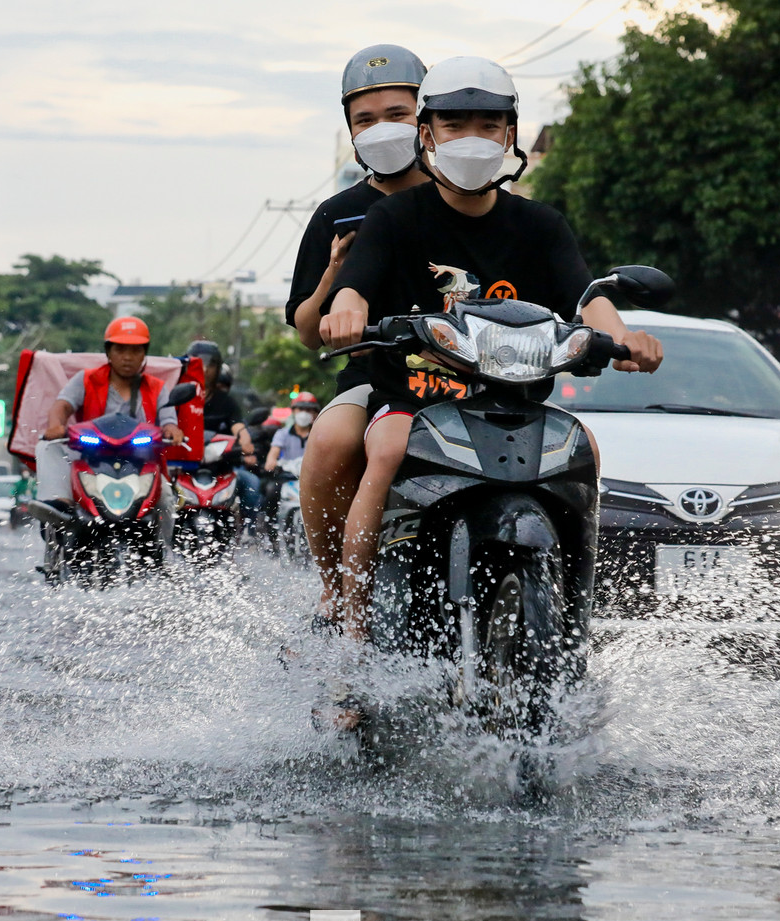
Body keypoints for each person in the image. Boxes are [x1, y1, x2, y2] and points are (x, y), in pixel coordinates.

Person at [320, 55, 664, 640]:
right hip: (415, 401)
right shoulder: (393, 217)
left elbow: (586, 299)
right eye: (455, 126)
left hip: (518, 408)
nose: (472, 139)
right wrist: (349, 309)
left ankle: (577, 626)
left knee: (589, 451)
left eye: (487, 124)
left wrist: (624, 336)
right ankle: (352, 642)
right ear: (427, 135)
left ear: (509, 134)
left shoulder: (541, 225)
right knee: (386, 446)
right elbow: (357, 283)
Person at [287, 43, 430, 631]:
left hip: (470, 374)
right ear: (350, 133)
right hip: (375, 379)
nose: (382, 129)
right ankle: (337, 593)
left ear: (427, 118)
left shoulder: (463, 202)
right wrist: (333, 272)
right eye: (365, 119)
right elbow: (305, 332)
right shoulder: (338, 213)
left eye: (397, 114)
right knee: (327, 444)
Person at [36, 316, 183, 507]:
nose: (128, 357)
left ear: (144, 354)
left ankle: (165, 539)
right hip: (91, 459)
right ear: (108, 352)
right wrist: (56, 425)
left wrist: (171, 429)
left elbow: (168, 420)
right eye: (120, 350)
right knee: (46, 447)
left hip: (140, 464)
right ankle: (59, 507)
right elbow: (62, 406)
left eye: (135, 350)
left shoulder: (157, 388)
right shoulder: (87, 379)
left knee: (166, 499)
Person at [185, 340, 262, 521]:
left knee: (251, 484)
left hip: (221, 469)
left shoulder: (227, 402)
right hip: (184, 468)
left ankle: (248, 535)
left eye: (210, 364)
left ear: (218, 368)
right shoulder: (181, 395)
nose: (204, 369)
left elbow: (238, 426)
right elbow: (168, 422)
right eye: (199, 363)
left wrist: (245, 439)